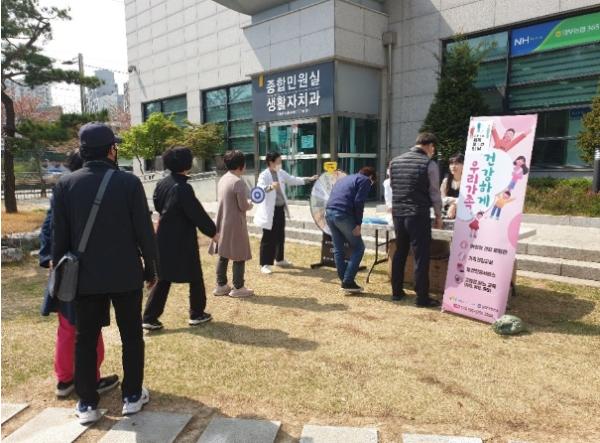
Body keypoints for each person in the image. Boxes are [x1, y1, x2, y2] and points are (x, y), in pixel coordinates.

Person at [52, 122, 158, 424]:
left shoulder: (65, 185)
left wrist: (61, 275)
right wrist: (151, 268)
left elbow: (60, 239)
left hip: (84, 276)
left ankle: (87, 403)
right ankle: (132, 396)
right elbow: (144, 232)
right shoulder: (129, 183)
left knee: (85, 338)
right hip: (125, 273)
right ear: (111, 150)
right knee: (131, 335)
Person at [40, 150, 118, 399]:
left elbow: (48, 227)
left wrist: (49, 258)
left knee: (67, 326)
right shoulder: (93, 188)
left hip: (65, 267)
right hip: (87, 270)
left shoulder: (63, 188)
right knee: (90, 326)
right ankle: (91, 378)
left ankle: (65, 379)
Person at [142, 147, 219, 331]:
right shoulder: (183, 188)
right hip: (182, 238)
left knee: (164, 277)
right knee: (195, 276)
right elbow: (196, 213)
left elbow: (158, 205)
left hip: (163, 236)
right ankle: (197, 313)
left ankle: (149, 317)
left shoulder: (162, 183)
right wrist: (213, 232)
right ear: (186, 163)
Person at [389, 132, 443, 307]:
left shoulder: (395, 162)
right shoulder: (429, 164)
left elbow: (393, 186)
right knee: (421, 255)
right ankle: (422, 298)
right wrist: (439, 215)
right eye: (433, 149)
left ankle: (396, 292)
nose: (433, 152)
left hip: (398, 213)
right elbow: (434, 192)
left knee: (400, 251)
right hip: (418, 214)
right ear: (430, 146)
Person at [254, 151, 318, 274]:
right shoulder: (264, 175)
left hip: (280, 209)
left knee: (280, 234)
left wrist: (309, 179)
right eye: (278, 162)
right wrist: (270, 187)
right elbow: (259, 189)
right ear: (271, 162)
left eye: (280, 162)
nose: (280, 164)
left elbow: (293, 179)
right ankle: (265, 264)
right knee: (268, 237)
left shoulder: (281, 173)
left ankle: (279, 259)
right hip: (269, 211)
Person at [209, 150, 254, 298]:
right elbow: (243, 206)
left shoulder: (223, 179)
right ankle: (238, 287)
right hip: (235, 223)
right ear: (241, 165)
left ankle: (221, 285)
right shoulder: (238, 182)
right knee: (239, 254)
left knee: (223, 254)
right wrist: (250, 204)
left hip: (222, 221)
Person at [325, 166, 376, 294]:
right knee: (359, 247)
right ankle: (348, 282)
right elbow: (359, 202)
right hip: (343, 214)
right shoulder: (365, 180)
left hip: (329, 213)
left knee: (338, 249)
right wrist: (358, 223)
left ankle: (345, 281)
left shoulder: (344, 179)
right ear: (371, 177)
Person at [440, 154, 464, 219]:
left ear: (464, 165)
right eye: (451, 164)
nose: (453, 166)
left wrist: (454, 205)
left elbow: (469, 200)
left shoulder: (468, 182)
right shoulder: (446, 181)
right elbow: (442, 199)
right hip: (447, 215)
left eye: (456, 163)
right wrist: (455, 201)